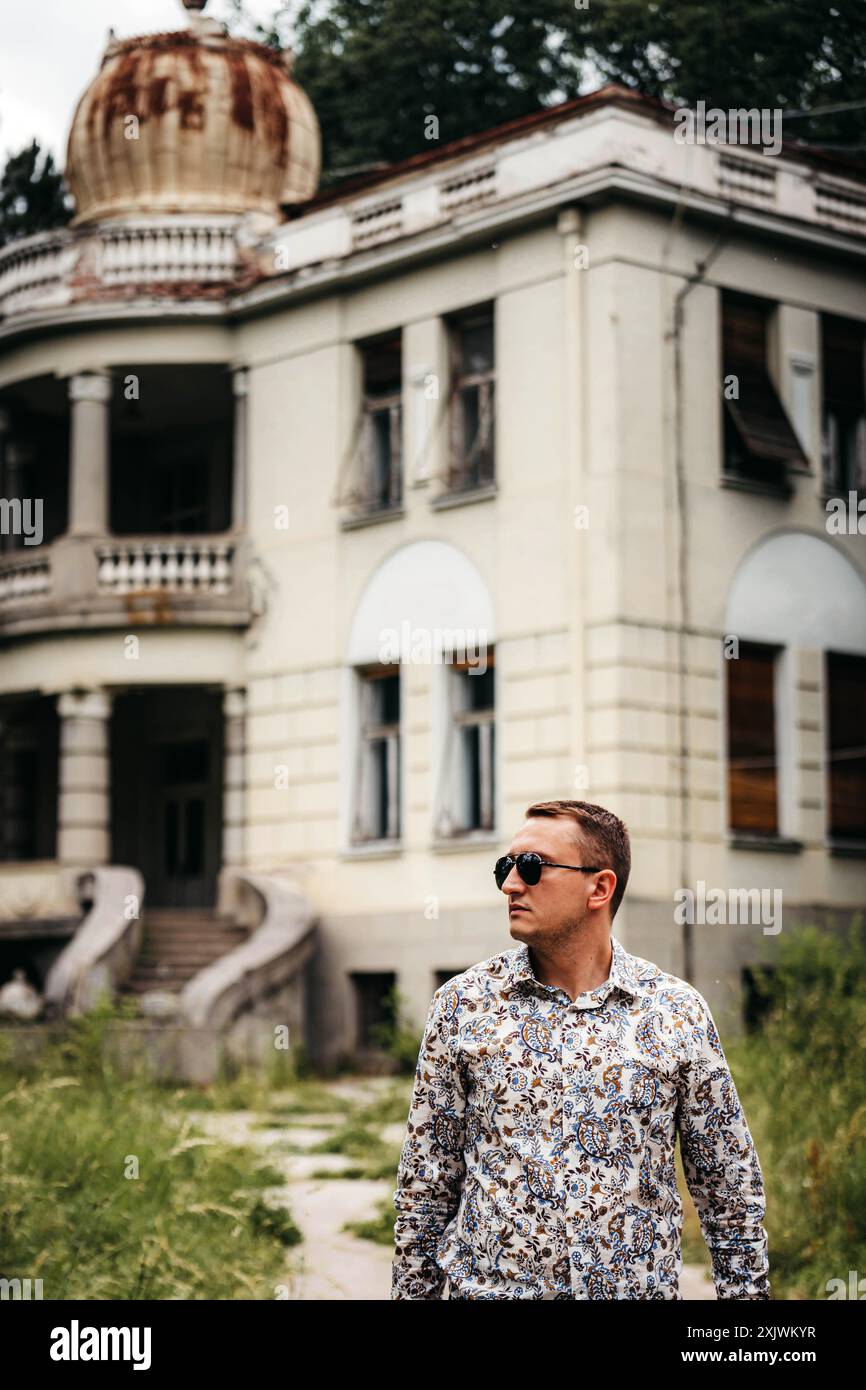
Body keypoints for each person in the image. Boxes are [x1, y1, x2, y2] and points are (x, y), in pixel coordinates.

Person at [390, 798, 770, 1300]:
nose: (510, 884)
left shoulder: (676, 1014)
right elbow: (426, 1189)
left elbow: (730, 1193)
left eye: (532, 867)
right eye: (506, 866)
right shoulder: (464, 1006)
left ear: (600, 886)